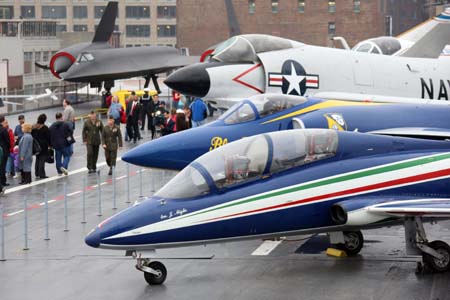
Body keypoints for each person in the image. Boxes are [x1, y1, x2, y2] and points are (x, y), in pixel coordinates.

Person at [32, 114, 50, 179]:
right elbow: (48, 138)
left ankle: (37, 173)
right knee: (42, 159)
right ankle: (42, 174)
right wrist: (50, 145)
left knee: (37, 159)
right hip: (43, 146)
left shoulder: (34, 127)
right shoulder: (45, 128)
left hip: (36, 146)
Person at [0, 116, 11, 186]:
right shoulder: (3, 130)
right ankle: (3, 182)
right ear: (3, 121)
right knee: (3, 167)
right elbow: (8, 141)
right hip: (3, 150)